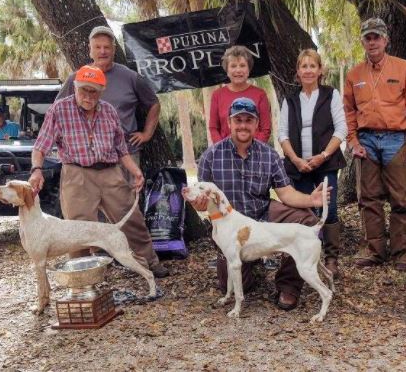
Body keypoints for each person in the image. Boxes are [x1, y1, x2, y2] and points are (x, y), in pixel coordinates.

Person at [184, 97, 329, 310]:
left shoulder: (269, 155)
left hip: (262, 214)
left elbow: (286, 194)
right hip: (230, 224)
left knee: (306, 220)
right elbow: (204, 203)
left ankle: (288, 285)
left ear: (256, 124)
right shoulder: (210, 156)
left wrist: (311, 200)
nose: (243, 125)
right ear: (230, 123)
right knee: (233, 282)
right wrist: (199, 205)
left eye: (248, 120)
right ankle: (253, 262)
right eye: (238, 120)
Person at [29, 65, 169, 278]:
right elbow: (40, 146)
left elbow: (121, 149)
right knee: (77, 229)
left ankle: (149, 262)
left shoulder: (109, 111)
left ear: (101, 91)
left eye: (93, 91)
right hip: (77, 175)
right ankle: (81, 276)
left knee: (131, 219)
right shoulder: (59, 110)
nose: (88, 95)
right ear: (75, 88)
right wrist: (36, 170)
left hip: (111, 172)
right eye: (83, 90)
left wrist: (135, 171)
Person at [343, 16, 406, 272]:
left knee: (403, 198)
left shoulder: (402, 68)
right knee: (368, 198)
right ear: (363, 42)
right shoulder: (354, 74)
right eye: (368, 38)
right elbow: (348, 111)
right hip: (366, 141)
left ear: (386, 40)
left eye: (376, 37)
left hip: (396, 140)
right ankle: (373, 249)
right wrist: (353, 140)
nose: (372, 42)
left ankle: (405, 252)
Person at [278, 49, 347, 277]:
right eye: (304, 66)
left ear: (320, 70)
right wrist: (296, 160)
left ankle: (331, 257)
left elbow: (341, 129)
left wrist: (323, 155)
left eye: (312, 66)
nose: (308, 70)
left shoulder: (330, 94)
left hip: (325, 163)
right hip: (299, 167)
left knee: (329, 208)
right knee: (305, 211)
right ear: (298, 72)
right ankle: (307, 256)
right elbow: (282, 134)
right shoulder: (290, 99)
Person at [57, 26, 160, 164]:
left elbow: (154, 104)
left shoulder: (131, 77)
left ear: (114, 49)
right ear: (90, 50)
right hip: (87, 158)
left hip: (125, 156)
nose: (102, 51)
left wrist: (147, 134)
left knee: (128, 186)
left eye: (106, 47)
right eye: (97, 47)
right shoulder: (76, 79)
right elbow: (57, 112)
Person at [209, 46, 271, 143]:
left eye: (242, 65)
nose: (238, 70)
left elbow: (265, 129)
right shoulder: (217, 95)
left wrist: (253, 150)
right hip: (225, 154)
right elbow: (213, 128)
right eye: (233, 66)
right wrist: (224, 151)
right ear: (227, 70)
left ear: (248, 69)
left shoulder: (260, 94)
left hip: (255, 153)